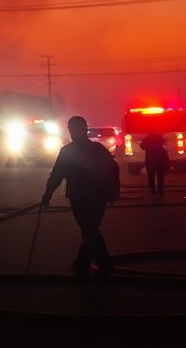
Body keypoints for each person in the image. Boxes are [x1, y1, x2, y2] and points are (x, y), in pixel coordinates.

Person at [41, 115, 121, 277]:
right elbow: (113, 169)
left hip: (80, 197)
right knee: (91, 229)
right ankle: (104, 263)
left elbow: (57, 175)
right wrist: (113, 192)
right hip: (97, 197)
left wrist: (48, 194)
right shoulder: (97, 149)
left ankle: (83, 265)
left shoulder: (67, 151)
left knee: (89, 229)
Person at [140, 131, 170, 197]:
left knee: (151, 176)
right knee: (160, 176)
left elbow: (142, 146)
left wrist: (148, 149)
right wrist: (167, 162)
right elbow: (164, 150)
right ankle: (161, 191)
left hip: (150, 160)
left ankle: (153, 191)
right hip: (159, 160)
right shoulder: (159, 138)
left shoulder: (146, 139)